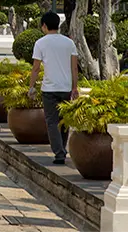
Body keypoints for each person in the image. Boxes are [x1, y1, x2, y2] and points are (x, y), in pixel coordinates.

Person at [28, 11, 79, 165]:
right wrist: (75, 88)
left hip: (49, 88)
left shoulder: (40, 43)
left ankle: (59, 152)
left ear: (44, 25)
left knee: (52, 121)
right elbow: (74, 68)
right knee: (64, 121)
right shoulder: (68, 42)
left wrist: (31, 86)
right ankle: (61, 149)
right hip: (66, 87)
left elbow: (36, 68)